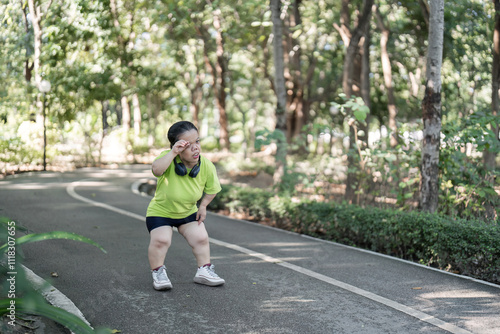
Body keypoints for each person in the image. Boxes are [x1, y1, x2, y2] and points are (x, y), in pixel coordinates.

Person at [146, 121, 224, 290]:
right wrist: (173, 153)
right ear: (178, 147)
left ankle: (204, 271)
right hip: (161, 212)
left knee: (201, 238)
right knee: (161, 240)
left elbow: (212, 189)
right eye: (189, 145)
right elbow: (156, 170)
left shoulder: (207, 165)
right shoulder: (168, 157)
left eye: (197, 141)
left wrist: (203, 206)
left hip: (188, 211)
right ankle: (158, 272)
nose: (196, 147)